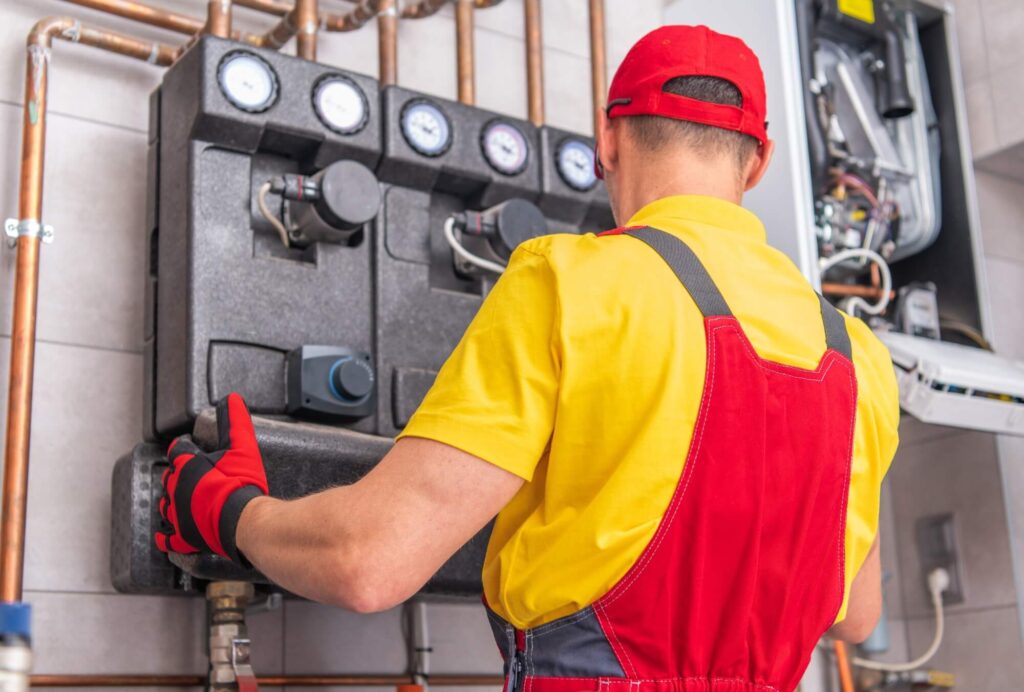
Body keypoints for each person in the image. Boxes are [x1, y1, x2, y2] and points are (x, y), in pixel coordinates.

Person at [157, 25, 899, 692]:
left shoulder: (572, 280)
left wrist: (229, 514)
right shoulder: (859, 357)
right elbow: (855, 615)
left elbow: (369, 561)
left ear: (609, 141)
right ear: (758, 162)